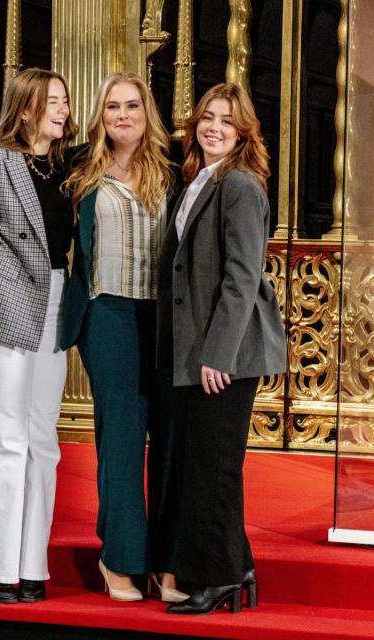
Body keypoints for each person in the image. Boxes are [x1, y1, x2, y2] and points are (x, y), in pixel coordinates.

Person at [149, 83, 286, 615]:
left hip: (224, 356)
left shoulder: (241, 185)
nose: (214, 128)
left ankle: (216, 577)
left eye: (227, 121)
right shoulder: (198, 181)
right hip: (198, 354)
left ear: (243, 132)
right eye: (207, 118)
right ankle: (238, 566)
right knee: (206, 462)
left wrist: (217, 355)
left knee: (214, 466)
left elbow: (241, 278)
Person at [0, 67, 77, 603]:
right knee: (6, 437)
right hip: (3, 308)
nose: (63, 110)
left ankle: (32, 565)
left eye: (66, 102)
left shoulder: (68, 168)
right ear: (25, 107)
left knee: (43, 440)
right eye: (53, 101)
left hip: (54, 301)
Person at [61, 72, 182, 602]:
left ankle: (165, 562)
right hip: (106, 314)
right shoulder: (79, 171)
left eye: (132, 105)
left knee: (171, 442)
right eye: (113, 107)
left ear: (146, 112)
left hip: (163, 319)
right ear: (101, 116)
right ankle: (120, 559)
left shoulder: (172, 172)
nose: (123, 115)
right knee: (123, 438)